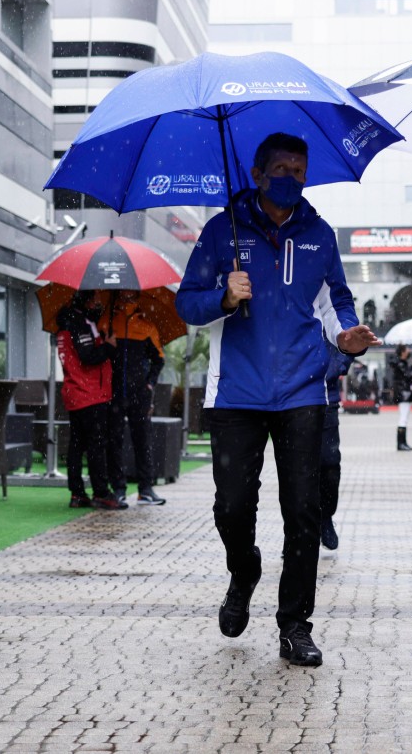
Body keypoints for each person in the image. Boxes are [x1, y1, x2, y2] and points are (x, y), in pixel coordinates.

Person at [176, 132, 379, 668]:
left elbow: (337, 302)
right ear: (259, 174)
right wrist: (223, 294)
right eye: (282, 169)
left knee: (303, 513)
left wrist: (349, 335)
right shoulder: (222, 231)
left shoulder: (319, 235)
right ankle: (243, 572)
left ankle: (295, 624)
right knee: (232, 508)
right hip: (235, 393)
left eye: (300, 169)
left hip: (302, 391)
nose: (292, 177)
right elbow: (186, 305)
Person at [56, 289, 125, 511]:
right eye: (94, 297)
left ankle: (77, 493)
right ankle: (101, 493)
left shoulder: (70, 322)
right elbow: (88, 357)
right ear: (85, 300)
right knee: (96, 444)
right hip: (89, 394)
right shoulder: (78, 323)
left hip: (77, 393)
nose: (97, 301)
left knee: (77, 444)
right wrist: (109, 346)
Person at [103, 290, 167, 506]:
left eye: (132, 291)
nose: (127, 294)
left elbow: (159, 359)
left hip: (140, 392)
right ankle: (118, 488)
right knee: (114, 439)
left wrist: (149, 383)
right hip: (113, 392)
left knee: (143, 439)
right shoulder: (107, 321)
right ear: (118, 293)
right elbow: (99, 354)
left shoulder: (147, 326)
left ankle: (145, 489)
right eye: (124, 291)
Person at [319, 348, 351, 550]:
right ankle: (296, 530)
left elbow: (347, 336)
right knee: (296, 467)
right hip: (292, 398)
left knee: (330, 464)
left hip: (327, 398)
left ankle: (326, 516)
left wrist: (332, 367)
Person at [389, 344, 412, 451]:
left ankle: (403, 443)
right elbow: (408, 376)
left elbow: (406, 374)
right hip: (403, 394)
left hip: (403, 393)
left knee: (404, 418)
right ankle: (401, 444)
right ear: (403, 352)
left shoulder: (400, 364)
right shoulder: (400, 364)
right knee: (403, 418)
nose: (409, 350)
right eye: (407, 349)